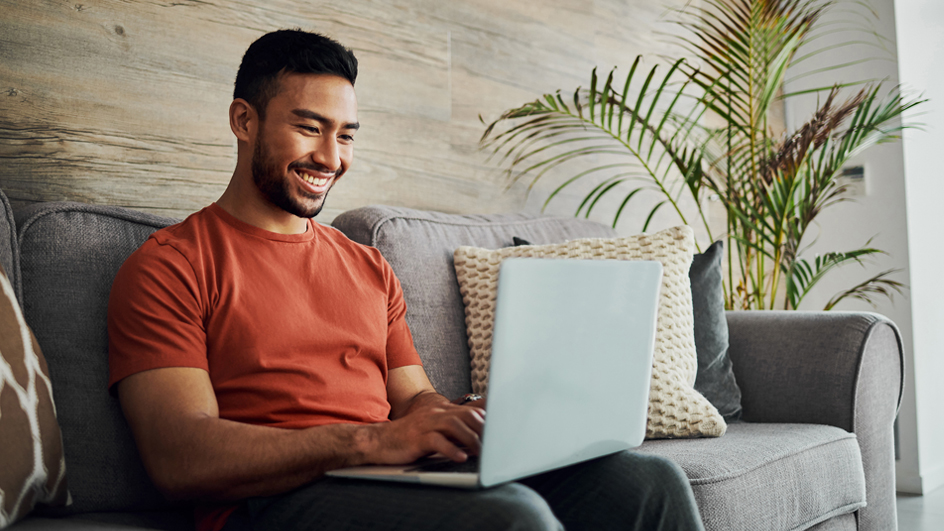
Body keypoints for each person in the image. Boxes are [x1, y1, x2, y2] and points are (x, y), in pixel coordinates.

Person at [107, 29, 705, 531]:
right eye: (310, 127)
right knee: (511, 517)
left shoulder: (367, 265)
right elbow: (179, 456)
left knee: (647, 483)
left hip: (387, 473)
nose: (331, 157)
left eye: (345, 135)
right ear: (244, 120)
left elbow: (411, 396)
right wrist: (368, 442)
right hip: (271, 502)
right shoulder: (171, 265)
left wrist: (465, 416)